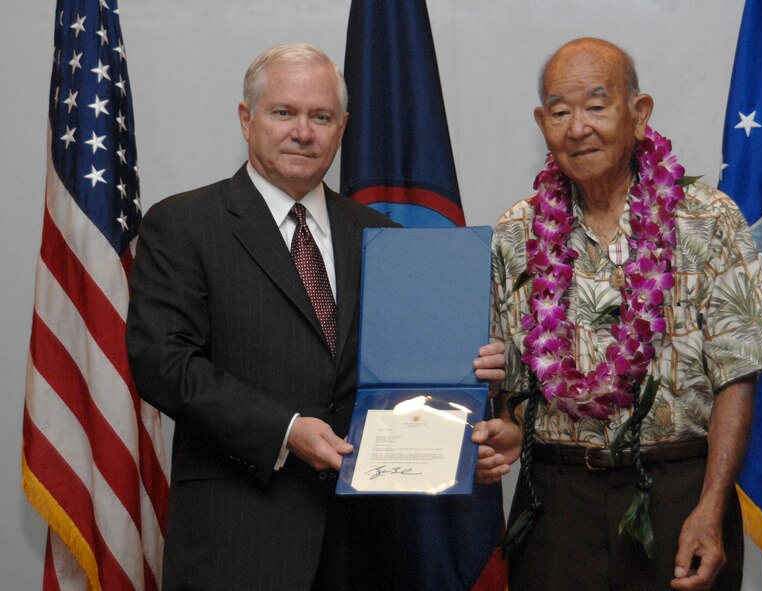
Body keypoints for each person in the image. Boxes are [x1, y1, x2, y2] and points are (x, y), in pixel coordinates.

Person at [126, 44, 504, 591]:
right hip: (239, 537)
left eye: (320, 117)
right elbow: (164, 363)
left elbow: (403, 377)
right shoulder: (183, 225)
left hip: (365, 544)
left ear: (342, 127)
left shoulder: (382, 238)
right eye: (284, 112)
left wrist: (464, 375)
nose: (303, 132)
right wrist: (286, 431)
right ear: (246, 119)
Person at [472, 38, 762, 591]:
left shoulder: (709, 219)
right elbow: (515, 388)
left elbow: (738, 375)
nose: (577, 128)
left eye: (597, 106)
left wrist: (711, 508)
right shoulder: (515, 233)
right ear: (542, 122)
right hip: (556, 506)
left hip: (678, 495)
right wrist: (508, 432)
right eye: (561, 112)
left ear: (639, 114)